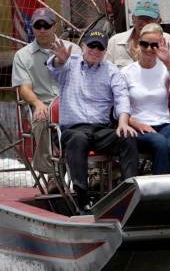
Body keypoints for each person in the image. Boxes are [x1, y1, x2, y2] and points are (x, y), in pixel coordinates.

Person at [47, 29, 139, 212]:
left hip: (101, 129)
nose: (95, 50)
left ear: (105, 51)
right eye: (91, 45)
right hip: (73, 129)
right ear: (83, 46)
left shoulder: (112, 70)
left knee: (127, 137)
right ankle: (82, 198)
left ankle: (130, 192)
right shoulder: (69, 64)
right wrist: (60, 60)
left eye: (100, 47)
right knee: (78, 140)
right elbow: (54, 68)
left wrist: (122, 122)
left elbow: (122, 97)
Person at [11, 7, 81, 190]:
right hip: (44, 104)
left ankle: (95, 171)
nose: (42, 29)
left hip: (72, 103)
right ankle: (53, 175)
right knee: (41, 118)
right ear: (32, 28)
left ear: (54, 26)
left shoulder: (73, 49)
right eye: (38, 25)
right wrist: (37, 103)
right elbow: (24, 89)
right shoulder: (22, 55)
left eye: (46, 25)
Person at [121, 23, 170, 174]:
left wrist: (168, 62)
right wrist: (136, 124)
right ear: (139, 44)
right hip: (137, 126)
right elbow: (119, 107)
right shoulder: (127, 72)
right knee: (160, 143)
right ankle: (160, 192)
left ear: (161, 45)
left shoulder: (164, 68)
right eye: (145, 44)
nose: (149, 49)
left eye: (154, 45)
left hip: (164, 124)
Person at [105, 0, 170, 69]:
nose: (144, 23)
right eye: (141, 18)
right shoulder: (115, 41)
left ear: (159, 21)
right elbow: (106, 72)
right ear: (133, 19)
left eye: (149, 19)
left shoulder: (167, 40)